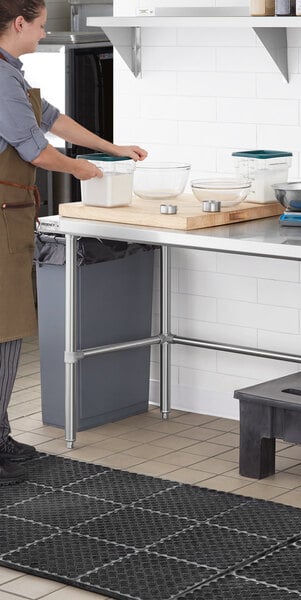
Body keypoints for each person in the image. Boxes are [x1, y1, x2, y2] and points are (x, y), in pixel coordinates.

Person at [0, 0, 147, 485]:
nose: (43, 34)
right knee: (6, 328)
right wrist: (82, 168)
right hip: (1, 219)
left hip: (12, 216)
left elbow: (52, 119)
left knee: (8, 329)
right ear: (18, 23)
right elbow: (36, 149)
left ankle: (0, 438)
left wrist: (111, 147)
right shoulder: (0, 79)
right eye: (40, 26)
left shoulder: (11, 72)